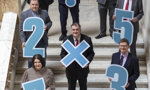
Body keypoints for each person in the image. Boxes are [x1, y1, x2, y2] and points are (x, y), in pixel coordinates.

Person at [60, 23, 95, 90]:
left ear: (80, 30)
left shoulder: (87, 39)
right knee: (71, 88)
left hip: (83, 69)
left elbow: (91, 53)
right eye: (73, 30)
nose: (75, 31)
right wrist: (65, 61)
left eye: (77, 29)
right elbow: (62, 53)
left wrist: (87, 62)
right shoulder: (66, 39)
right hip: (70, 70)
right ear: (71, 30)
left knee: (83, 87)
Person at [19, 0, 52, 68]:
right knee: (31, 62)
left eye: (36, 4)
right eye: (33, 4)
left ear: (38, 5)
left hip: (42, 41)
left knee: (42, 61)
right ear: (30, 4)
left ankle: (42, 76)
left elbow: (49, 22)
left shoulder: (44, 12)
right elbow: (21, 30)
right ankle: (31, 77)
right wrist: (23, 41)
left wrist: (47, 26)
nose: (34, 6)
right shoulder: (24, 14)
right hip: (30, 43)